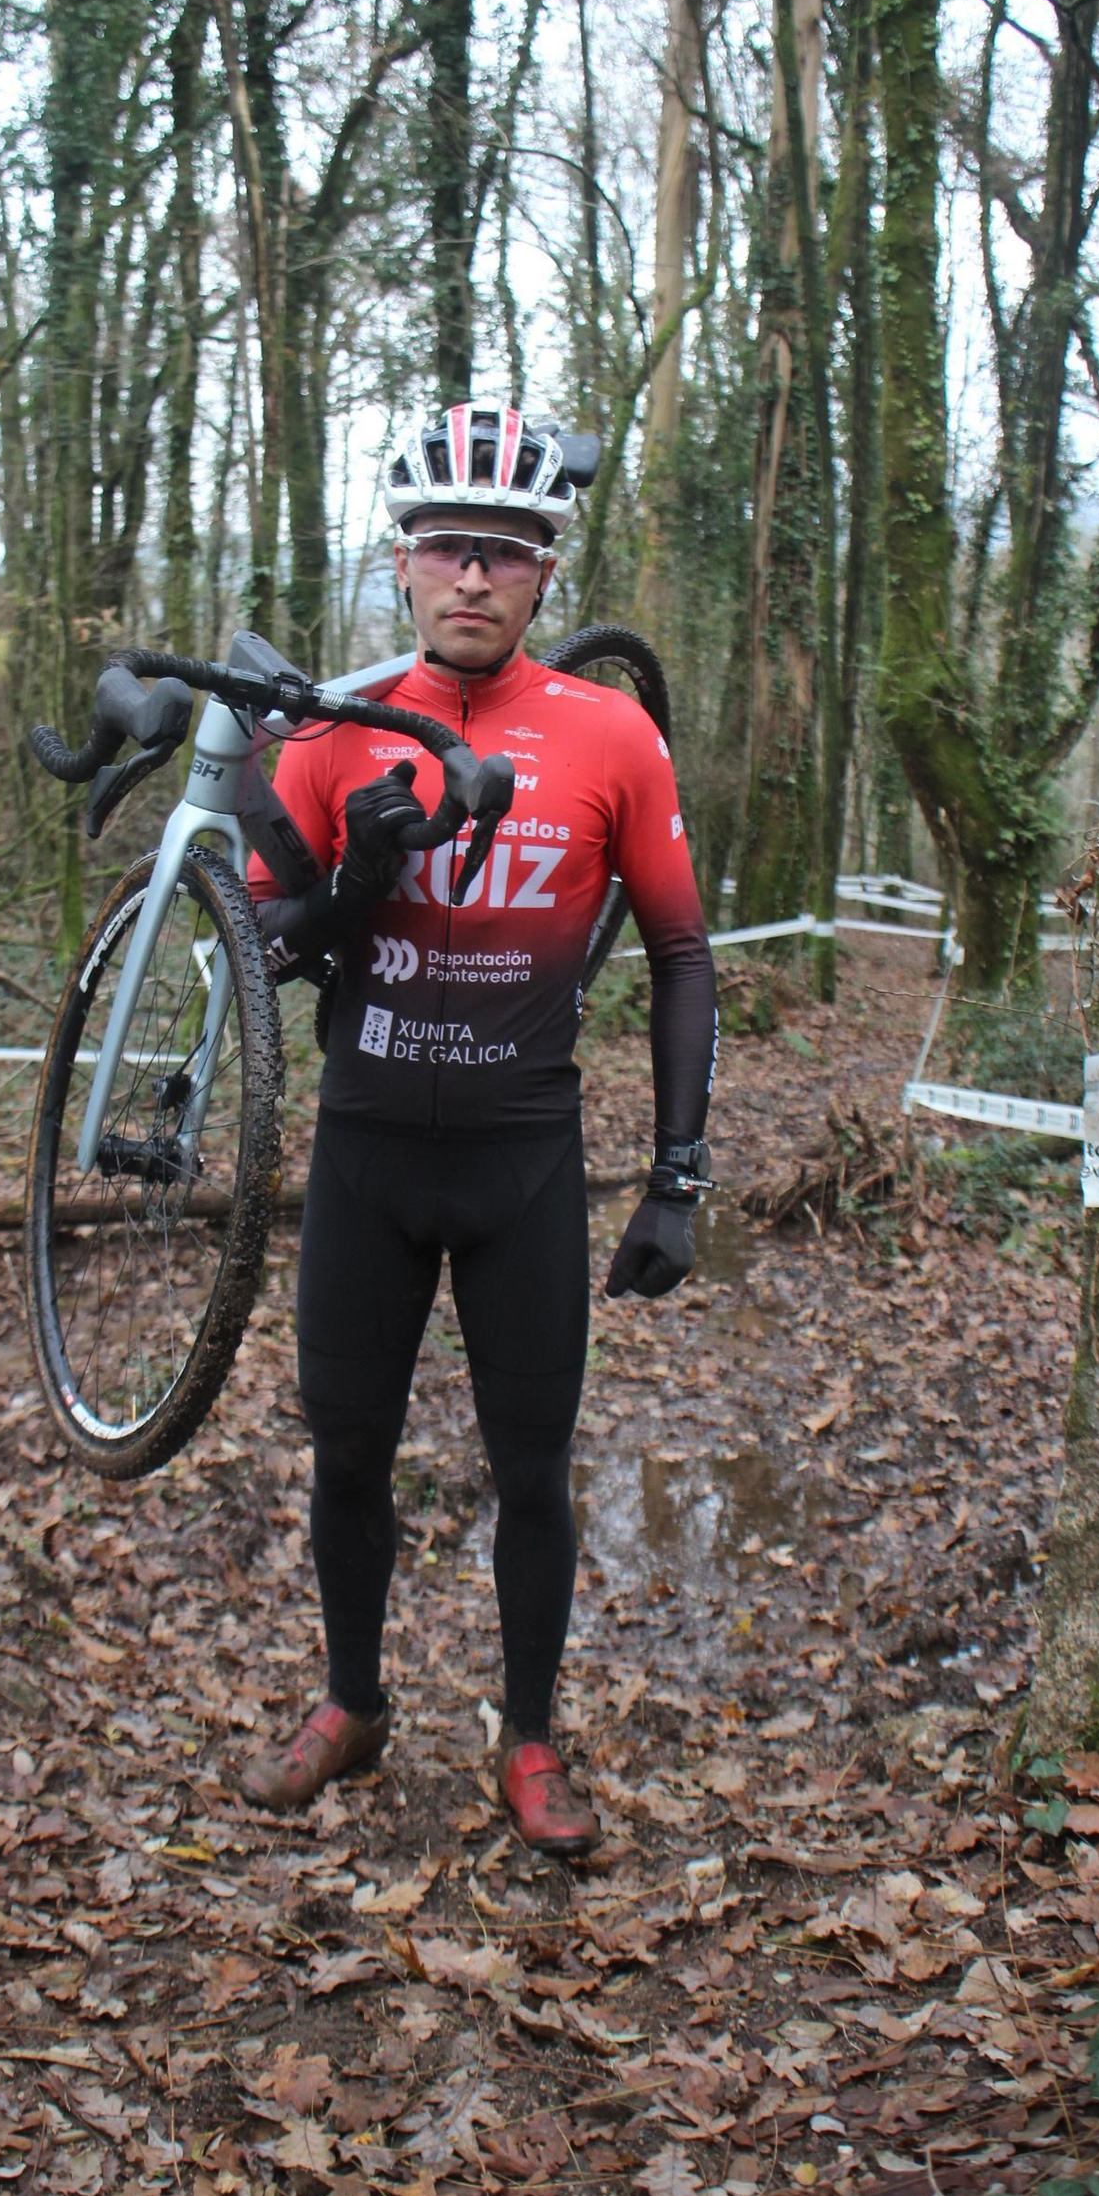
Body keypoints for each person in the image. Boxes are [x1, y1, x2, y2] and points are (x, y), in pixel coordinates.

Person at [241, 401, 717, 1856]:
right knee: (349, 1458)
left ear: (543, 580)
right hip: (368, 1157)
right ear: (401, 564)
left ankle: (528, 1737)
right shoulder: (329, 733)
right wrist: (359, 877)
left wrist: (678, 1176)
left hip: (523, 1165)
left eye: (504, 553)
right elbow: (268, 950)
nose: (472, 576)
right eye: (447, 546)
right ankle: (351, 1701)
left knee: (531, 1469)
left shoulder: (610, 734)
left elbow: (684, 955)